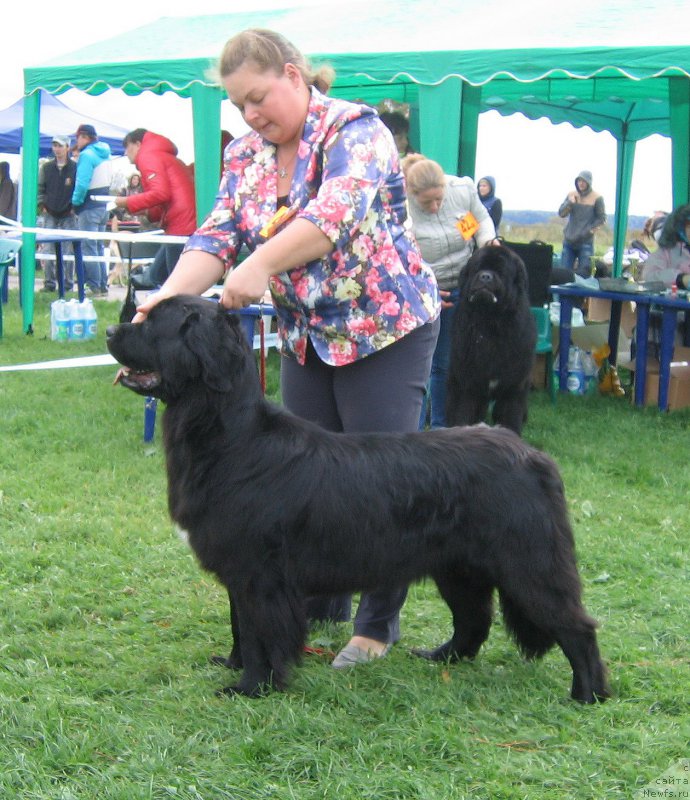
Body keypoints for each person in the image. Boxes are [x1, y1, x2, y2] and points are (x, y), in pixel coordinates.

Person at [135, 27, 441, 668]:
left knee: (380, 483)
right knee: (309, 485)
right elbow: (215, 238)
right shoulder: (245, 156)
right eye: (238, 105)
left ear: (294, 75)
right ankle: (311, 606)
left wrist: (259, 265)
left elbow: (330, 220)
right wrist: (164, 299)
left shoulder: (357, 130)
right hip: (306, 335)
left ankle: (375, 626)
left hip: (382, 326)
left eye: (258, 97)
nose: (250, 114)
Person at [403, 154, 497, 429]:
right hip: (421, 295)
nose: (435, 206)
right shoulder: (400, 208)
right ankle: (413, 432)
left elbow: (480, 220)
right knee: (419, 367)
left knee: (444, 364)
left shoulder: (461, 190)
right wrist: (426, 290)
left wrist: (488, 242)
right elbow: (399, 258)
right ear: (412, 193)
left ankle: (441, 429)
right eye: (427, 202)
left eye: (439, 199)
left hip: (461, 290)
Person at [114, 128, 197, 286]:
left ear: (138, 144)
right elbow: (167, 196)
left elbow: (160, 193)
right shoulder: (161, 156)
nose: (125, 153)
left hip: (181, 224)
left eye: (127, 147)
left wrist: (128, 202)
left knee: (173, 282)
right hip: (183, 221)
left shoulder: (148, 157)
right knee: (157, 275)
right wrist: (147, 211)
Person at [71, 124, 113, 296]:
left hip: (89, 205)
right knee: (98, 247)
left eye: (77, 138)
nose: (76, 141)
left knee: (88, 247)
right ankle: (102, 285)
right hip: (104, 204)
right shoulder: (106, 153)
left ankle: (94, 286)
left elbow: (82, 183)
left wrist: (75, 203)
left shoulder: (86, 155)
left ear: (84, 137)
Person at [37, 135, 77, 292]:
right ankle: (49, 283)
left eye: (60, 146)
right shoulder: (46, 168)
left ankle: (67, 283)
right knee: (47, 249)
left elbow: (79, 189)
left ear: (67, 147)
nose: (57, 149)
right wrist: (42, 205)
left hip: (69, 213)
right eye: (54, 145)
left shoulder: (75, 168)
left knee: (68, 250)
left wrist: (74, 207)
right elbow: (40, 188)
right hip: (50, 212)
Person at [558, 170, 606, 278]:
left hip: (585, 242)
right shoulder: (571, 195)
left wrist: (588, 231)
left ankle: (581, 290)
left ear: (589, 182)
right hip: (569, 240)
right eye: (579, 181)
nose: (581, 183)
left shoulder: (597, 198)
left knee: (584, 276)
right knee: (563, 274)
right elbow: (561, 213)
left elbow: (601, 218)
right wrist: (569, 203)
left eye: (584, 181)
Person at [641, 203, 690, 289]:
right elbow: (649, 277)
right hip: (674, 297)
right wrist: (680, 279)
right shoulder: (666, 252)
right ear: (680, 227)